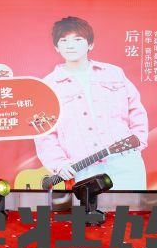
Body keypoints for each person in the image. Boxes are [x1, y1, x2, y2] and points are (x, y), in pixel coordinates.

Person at [34, 16, 148, 190]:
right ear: (56, 47)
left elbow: (136, 109)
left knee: (130, 207)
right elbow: (44, 134)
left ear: (90, 44)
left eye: (77, 39)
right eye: (64, 40)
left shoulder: (113, 73)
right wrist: (59, 164)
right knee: (90, 208)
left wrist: (138, 141)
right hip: (83, 168)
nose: (70, 45)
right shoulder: (49, 85)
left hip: (125, 161)